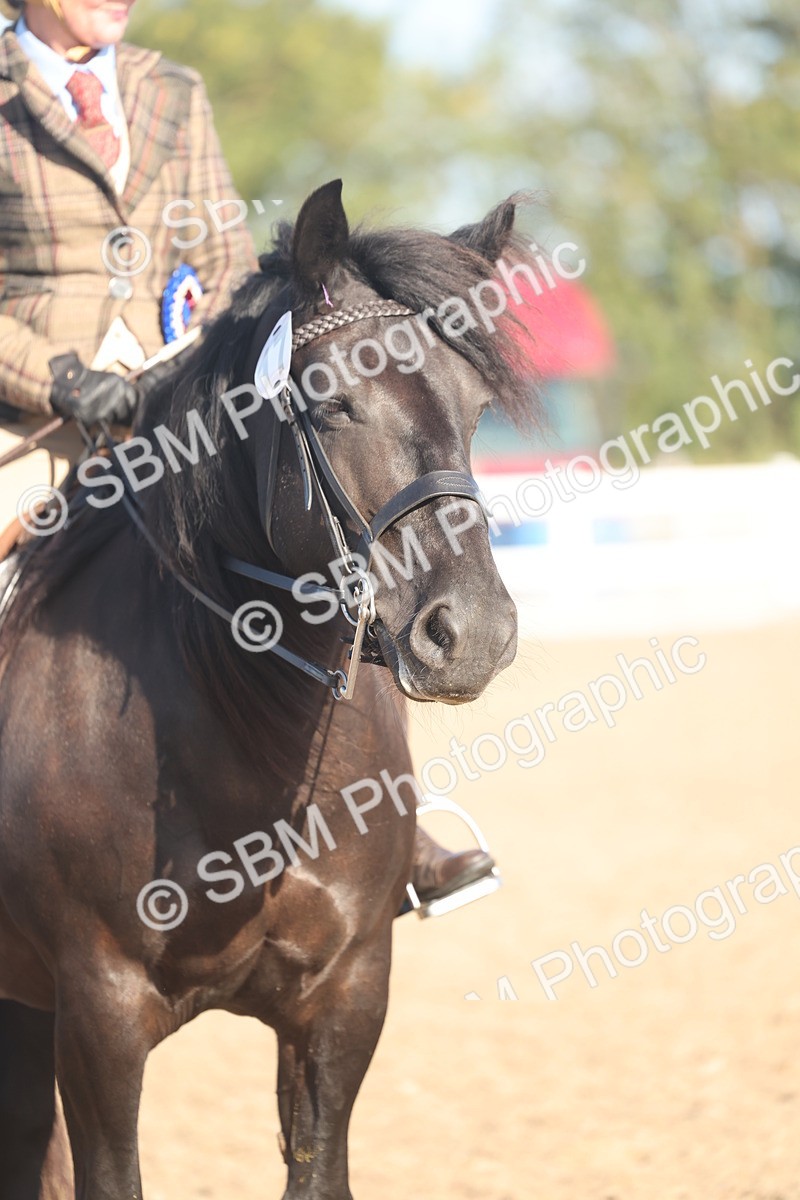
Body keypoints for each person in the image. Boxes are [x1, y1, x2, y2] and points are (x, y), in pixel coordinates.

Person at [0, 0, 494, 908]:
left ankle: (392, 824)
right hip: (33, 409)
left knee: (314, 547)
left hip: (177, 384)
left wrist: (202, 358)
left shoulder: (171, 90)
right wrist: (62, 381)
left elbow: (225, 250)